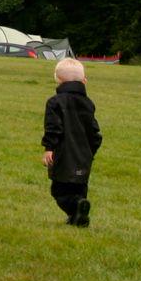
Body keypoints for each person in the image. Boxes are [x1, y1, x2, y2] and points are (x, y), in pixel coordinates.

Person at [41, 57, 101, 227]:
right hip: (84, 156)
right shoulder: (88, 103)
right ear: (84, 81)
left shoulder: (54, 102)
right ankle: (78, 214)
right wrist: (91, 151)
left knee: (59, 190)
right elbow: (94, 131)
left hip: (63, 154)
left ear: (58, 80)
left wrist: (49, 148)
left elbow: (53, 127)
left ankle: (76, 207)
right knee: (79, 188)